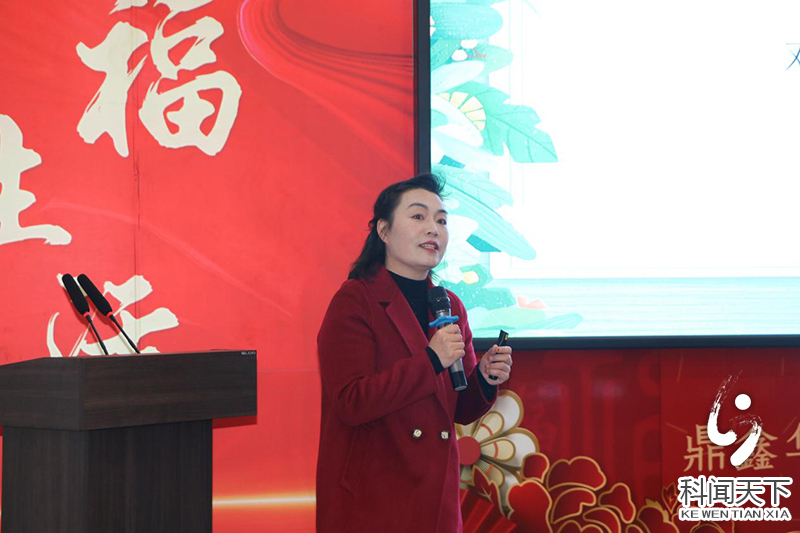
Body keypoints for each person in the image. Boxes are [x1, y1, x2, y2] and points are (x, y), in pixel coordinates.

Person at [316, 173, 513, 532]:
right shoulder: (355, 300)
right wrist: (431, 360)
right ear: (384, 231)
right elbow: (351, 401)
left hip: (435, 497)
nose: (433, 229)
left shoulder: (450, 304)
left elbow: (461, 408)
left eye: (441, 221)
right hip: (374, 498)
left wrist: (485, 377)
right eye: (418, 216)